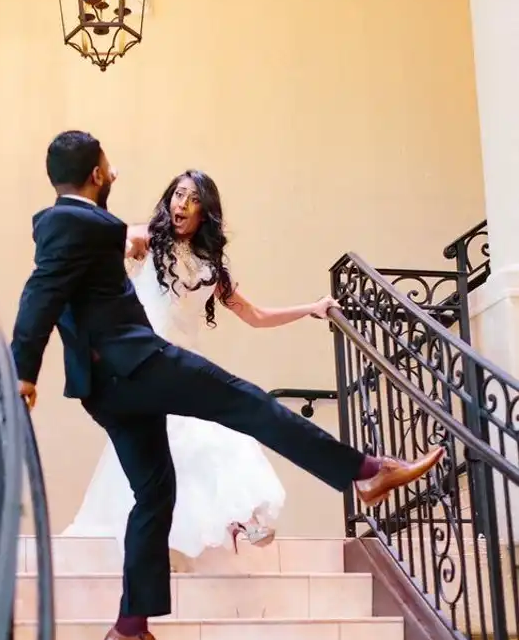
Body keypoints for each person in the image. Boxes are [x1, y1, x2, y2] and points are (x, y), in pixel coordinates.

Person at [12, 130, 444, 640]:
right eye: (108, 165)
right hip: (136, 365)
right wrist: (23, 371)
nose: (116, 171)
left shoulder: (87, 227)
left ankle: (130, 629)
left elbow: (72, 281)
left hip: (112, 386)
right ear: (96, 175)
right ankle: (363, 472)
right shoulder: (79, 224)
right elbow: (41, 291)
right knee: (246, 402)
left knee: (155, 493)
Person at [64, 169, 338, 557]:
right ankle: (234, 521)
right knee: (189, 444)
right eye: (179, 194)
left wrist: (310, 308)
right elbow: (109, 245)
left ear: (204, 213)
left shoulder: (211, 267)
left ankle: (235, 520)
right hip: (145, 363)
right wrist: (120, 242)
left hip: (184, 364)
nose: (183, 204)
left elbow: (255, 315)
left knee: (211, 436)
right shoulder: (148, 239)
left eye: (193, 199)